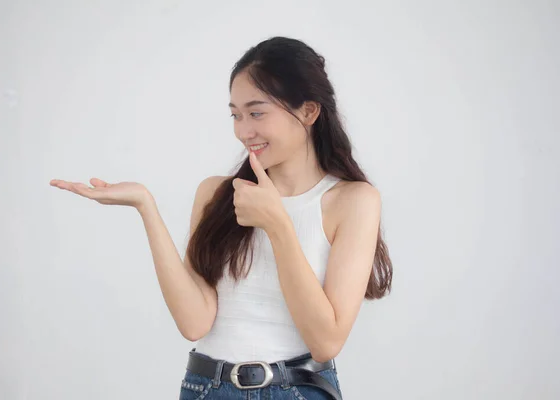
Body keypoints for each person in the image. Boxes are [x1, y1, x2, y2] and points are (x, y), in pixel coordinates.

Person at [50, 36, 392, 400]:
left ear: (309, 112)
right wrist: (145, 206)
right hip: (206, 389)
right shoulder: (218, 194)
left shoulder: (353, 200)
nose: (244, 131)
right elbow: (194, 322)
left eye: (257, 113)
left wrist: (277, 225)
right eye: (236, 114)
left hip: (297, 391)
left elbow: (326, 342)